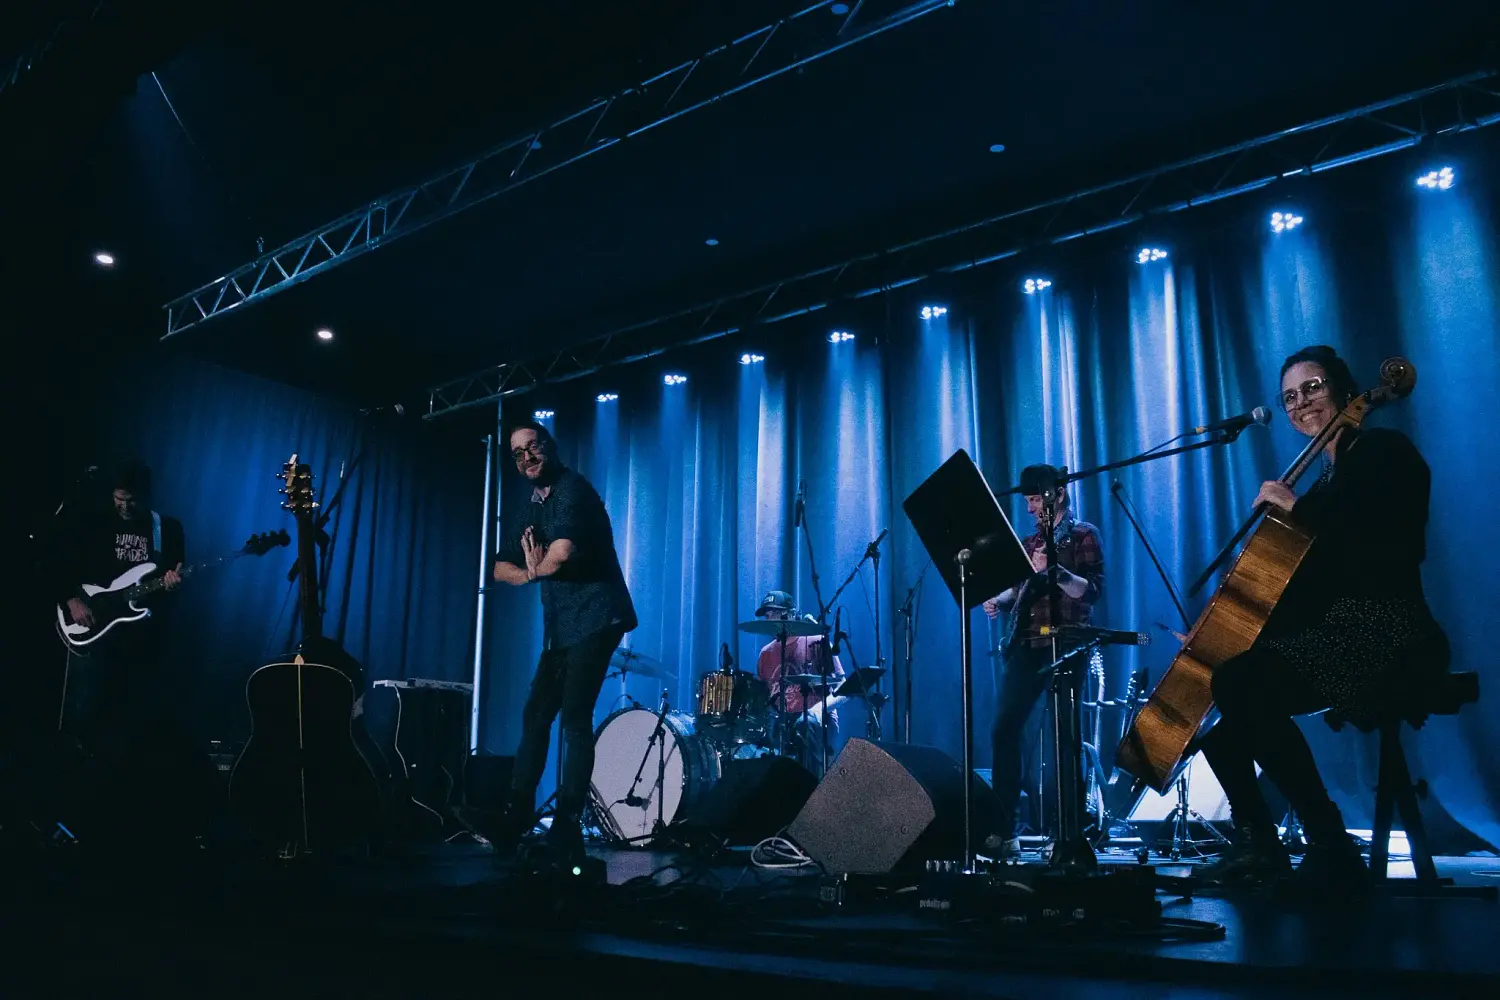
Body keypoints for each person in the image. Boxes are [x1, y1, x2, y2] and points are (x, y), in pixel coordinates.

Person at [1197, 345, 1445, 889]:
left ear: (1343, 387)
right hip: (1339, 633)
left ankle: (1330, 842)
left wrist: (1296, 511)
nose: (1302, 403)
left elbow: (1377, 549)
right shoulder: (1323, 484)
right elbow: (1310, 593)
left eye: (1312, 387)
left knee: (1240, 682)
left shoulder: (1383, 451)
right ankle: (1262, 845)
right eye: (1290, 397)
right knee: (1215, 708)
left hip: (1390, 631)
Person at [491, 420, 637, 862]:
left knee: (574, 718)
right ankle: (515, 816)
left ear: (549, 447)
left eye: (533, 447)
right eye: (518, 453)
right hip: (562, 627)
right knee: (536, 714)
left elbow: (561, 555)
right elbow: (500, 567)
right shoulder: (532, 505)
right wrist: (529, 570)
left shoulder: (574, 490)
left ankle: (568, 824)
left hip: (597, 616)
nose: (527, 457)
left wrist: (536, 568)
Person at [49, 460, 199, 845]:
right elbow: (59, 561)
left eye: (131, 501)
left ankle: (125, 823)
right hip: (96, 636)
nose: (125, 507)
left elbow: (174, 576)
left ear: (145, 496)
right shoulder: (95, 523)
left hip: (144, 642)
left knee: (134, 729)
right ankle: (75, 819)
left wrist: (172, 583)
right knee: (87, 723)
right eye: (119, 499)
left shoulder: (167, 529)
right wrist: (72, 600)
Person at [981, 464, 1104, 859]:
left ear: (1057, 495)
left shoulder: (1083, 534)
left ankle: (1066, 831)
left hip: (1066, 643)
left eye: (1035, 499)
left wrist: (1055, 572)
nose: (1031, 509)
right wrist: (998, 600)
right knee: (1004, 729)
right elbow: (1018, 589)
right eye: (1029, 501)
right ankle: (1004, 830)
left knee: (1064, 739)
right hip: (1026, 644)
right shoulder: (1028, 540)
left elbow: (1092, 591)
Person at [752, 590, 845, 770]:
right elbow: (763, 698)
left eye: (774, 613)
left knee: (805, 723)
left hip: (817, 719)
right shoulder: (766, 653)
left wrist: (818, 709)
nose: (769, 618)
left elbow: (843, 686)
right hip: (783, 721)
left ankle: (811, 791)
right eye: (767, 615)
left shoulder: (817, 641)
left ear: (790, 614)